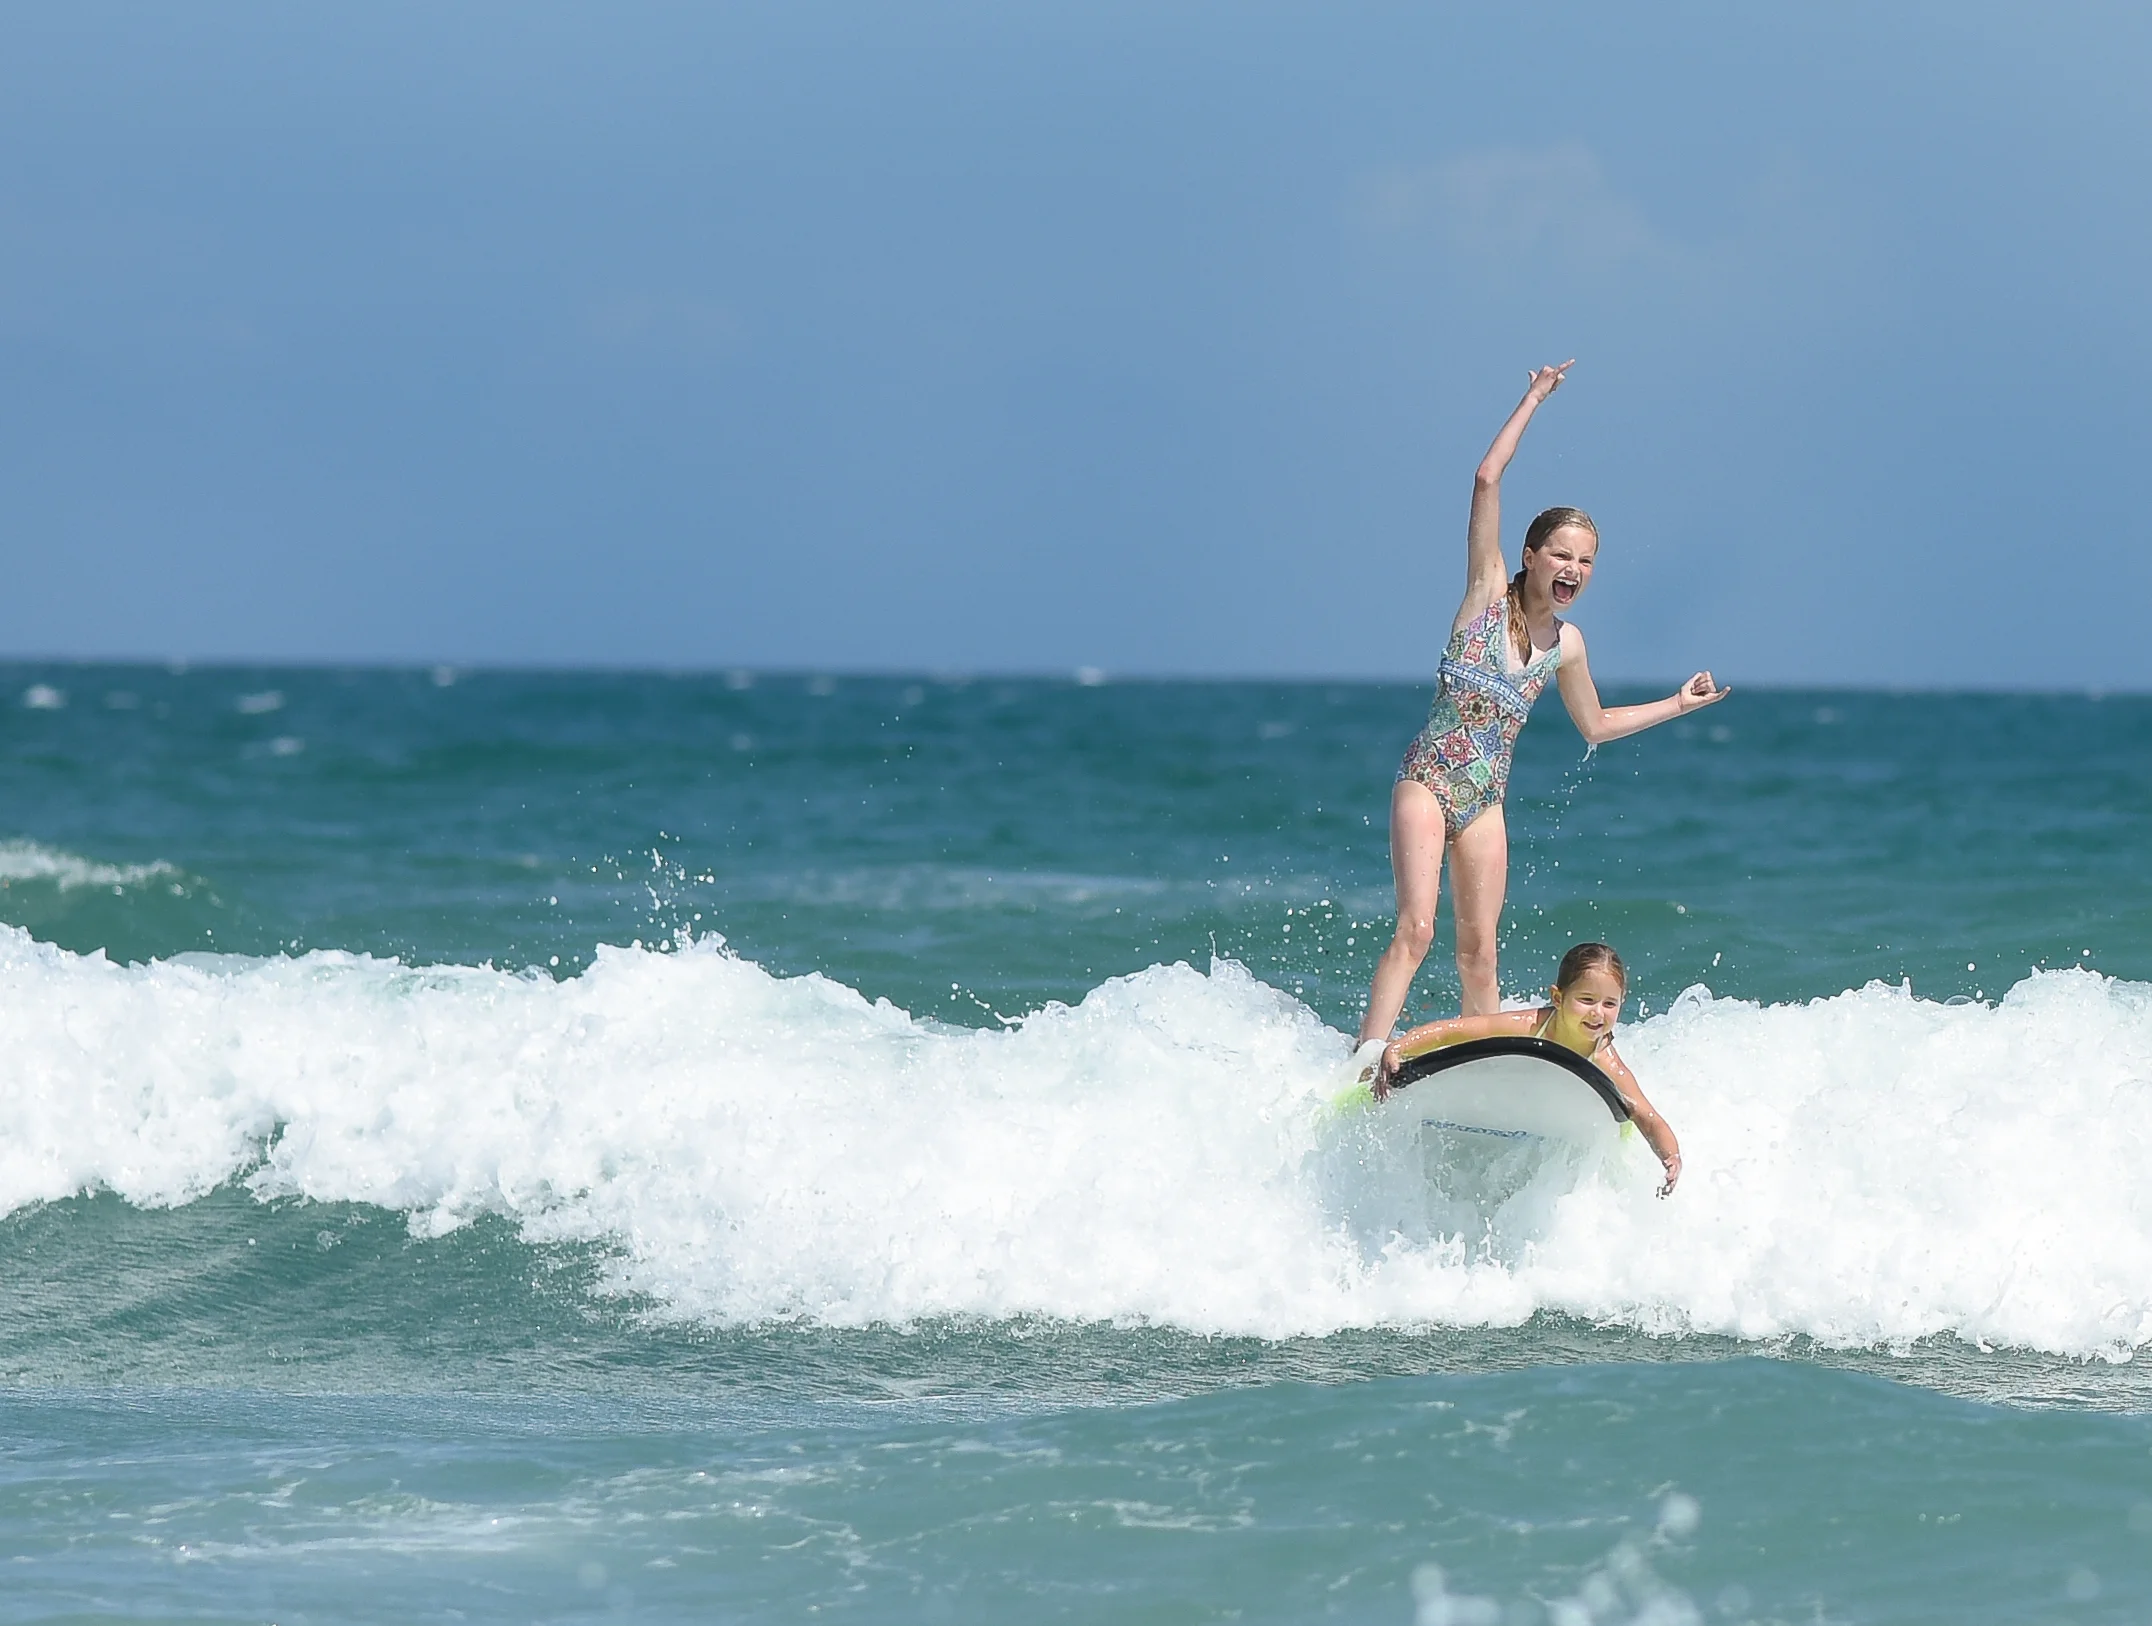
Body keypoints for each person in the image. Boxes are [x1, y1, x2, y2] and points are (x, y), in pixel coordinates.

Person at [1361, 360, 1727, 1041]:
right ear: (1530, 556)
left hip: (1485, 802)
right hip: (1427, 782)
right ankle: (1366, 1056)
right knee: (1417, 928)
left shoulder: (1567, 645)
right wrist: (1533, 397)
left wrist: (1677, 705)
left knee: (1480, 952)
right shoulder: (1484, 593)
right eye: (1561, 555)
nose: (1573, 570)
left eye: (1585, 562)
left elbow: (1596, 724)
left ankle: (1484, 1063)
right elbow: (1486, 478)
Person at [1371, 941, 1681, 1195]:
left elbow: (1646, 1116)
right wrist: (1400, 1047)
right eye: (1587, 1000)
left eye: (1610, 1004)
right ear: (1557, 998)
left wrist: (1671, 1156)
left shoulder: (1605, 1060)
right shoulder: (1530, 1025)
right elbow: (1456, 1031)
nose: (1598, 1013)